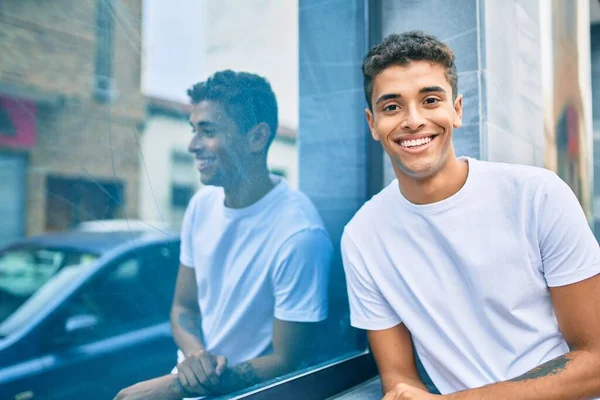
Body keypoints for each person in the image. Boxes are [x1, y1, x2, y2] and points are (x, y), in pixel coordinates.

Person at [341, 31, 600, 399]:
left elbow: (595, 362)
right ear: (372, 123)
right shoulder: (363, 236)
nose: (413, 120)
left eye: (430, 100)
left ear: (457, 110)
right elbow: (399, 379)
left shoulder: (537, 195)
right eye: (392, 107)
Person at [115, 70, 333, 399]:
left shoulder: (300, 235)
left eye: (208, 131)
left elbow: (289, 360)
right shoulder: (201, 205)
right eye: (193, 130)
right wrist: (195, 361)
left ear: (257, 137)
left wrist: (176, 386)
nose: (192, 145)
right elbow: (183, 308)